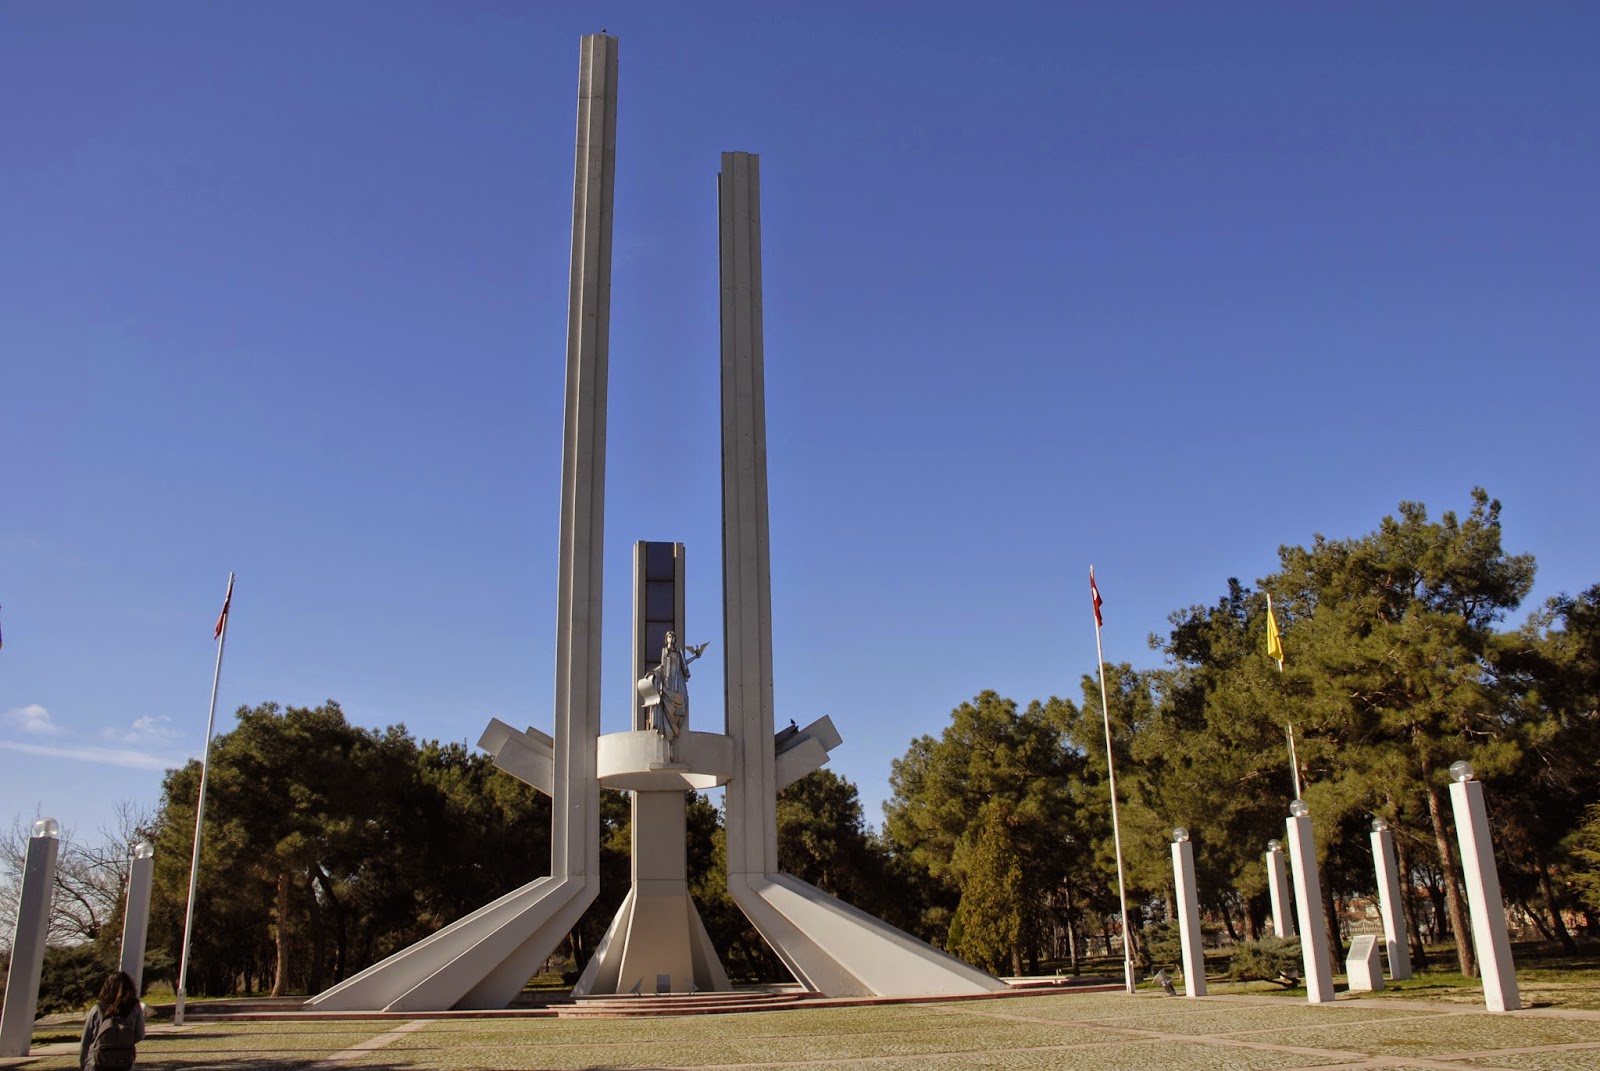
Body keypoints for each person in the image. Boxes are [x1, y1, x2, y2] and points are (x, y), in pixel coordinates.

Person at [651, 631, 707, 754]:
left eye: (673, 636)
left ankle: (672, 743)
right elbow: (662, 666)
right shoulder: (664, 652)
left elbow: (683, 664)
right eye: (669, 636)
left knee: (678, 710)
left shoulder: (678, 652)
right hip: (667, 685)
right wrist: (652, 672)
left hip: (676, 684)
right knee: (666, 712)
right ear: (667, 639)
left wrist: (695, 657)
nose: (672, 638)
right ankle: (668, 742)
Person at [78, 971, 145, 1070]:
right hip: (123, 1060)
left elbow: (86, 1040)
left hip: (97, 1061)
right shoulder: (134, 1007)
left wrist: (83, 1064)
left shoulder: (97, 1009)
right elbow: (140, 1034)